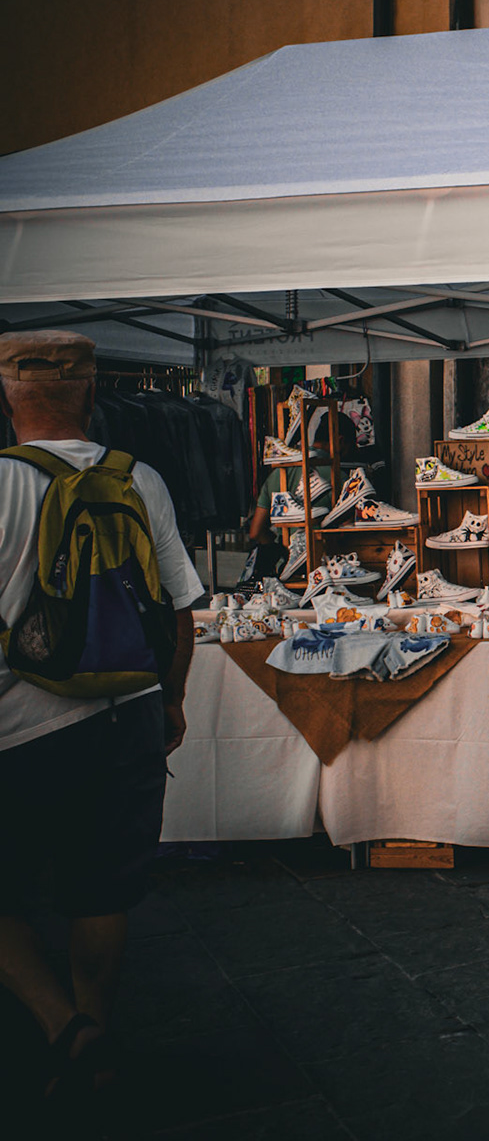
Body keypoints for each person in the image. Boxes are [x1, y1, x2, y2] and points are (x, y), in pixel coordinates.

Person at [0, 331, 202, 1096]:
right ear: (90, 390)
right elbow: (183, 607)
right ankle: (96, 1036)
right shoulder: (138, 477)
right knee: (102, 890)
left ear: (9, 393)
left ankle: (63, 1028)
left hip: (19, 725)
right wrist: (173, 699)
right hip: (129, 712)